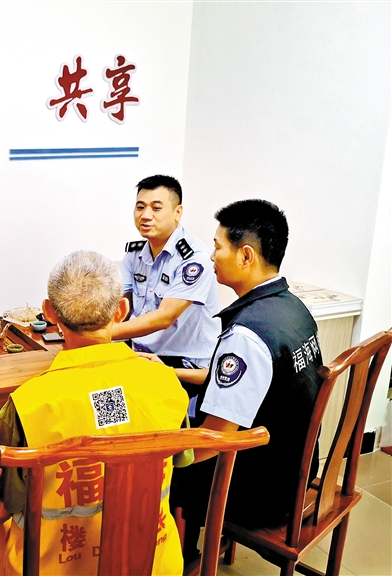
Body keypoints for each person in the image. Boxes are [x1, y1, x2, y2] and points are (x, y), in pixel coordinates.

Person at [0, 251, 189, 576]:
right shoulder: (165, 383)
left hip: (50, 567)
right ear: (121, 311)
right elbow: (184, 460)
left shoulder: (27, 403)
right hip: (154, 565)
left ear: (48, 313)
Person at [168, 200, 322, 561]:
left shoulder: (246, 334)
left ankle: (182, 560)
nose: (212, 256)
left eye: (218, 246)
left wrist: (162, 457)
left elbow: (215, 439)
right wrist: (170, 372)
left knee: (161, 470)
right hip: (294, 468)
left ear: (246, 256)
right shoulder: (291, 309)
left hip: (260, 491)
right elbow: (253, 384)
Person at [112, 175, 221, 380]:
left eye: (156, 208)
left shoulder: (194, 259)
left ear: (177, 212)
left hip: (183, 363)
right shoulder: (135, 253)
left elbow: (165, 317)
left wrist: (103, 334)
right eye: (140, 207)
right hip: (141, 353)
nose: (145, 215)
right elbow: (118, 304)